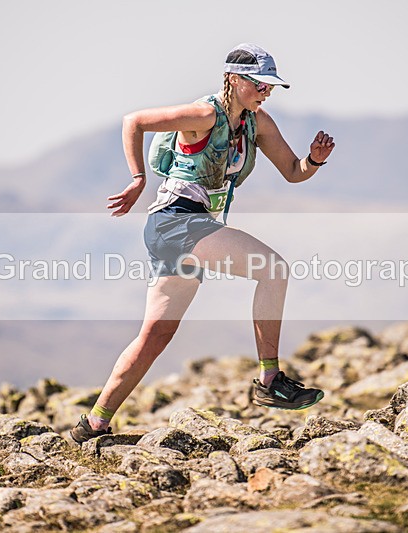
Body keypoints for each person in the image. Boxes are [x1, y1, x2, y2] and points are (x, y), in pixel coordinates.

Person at [71, 43, 335, 443]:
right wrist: (138, 178)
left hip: (185, 229)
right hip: (175, 223)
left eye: (271, 86)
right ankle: (270, 380)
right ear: (233, 78)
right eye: (259, 83)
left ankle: (92, 426)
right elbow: (134, 121)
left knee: (153, 339)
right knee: (273, 270)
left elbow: (293, 173)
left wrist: (313, 160)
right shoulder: (204, 114)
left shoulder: (257, 123)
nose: (266, 92)